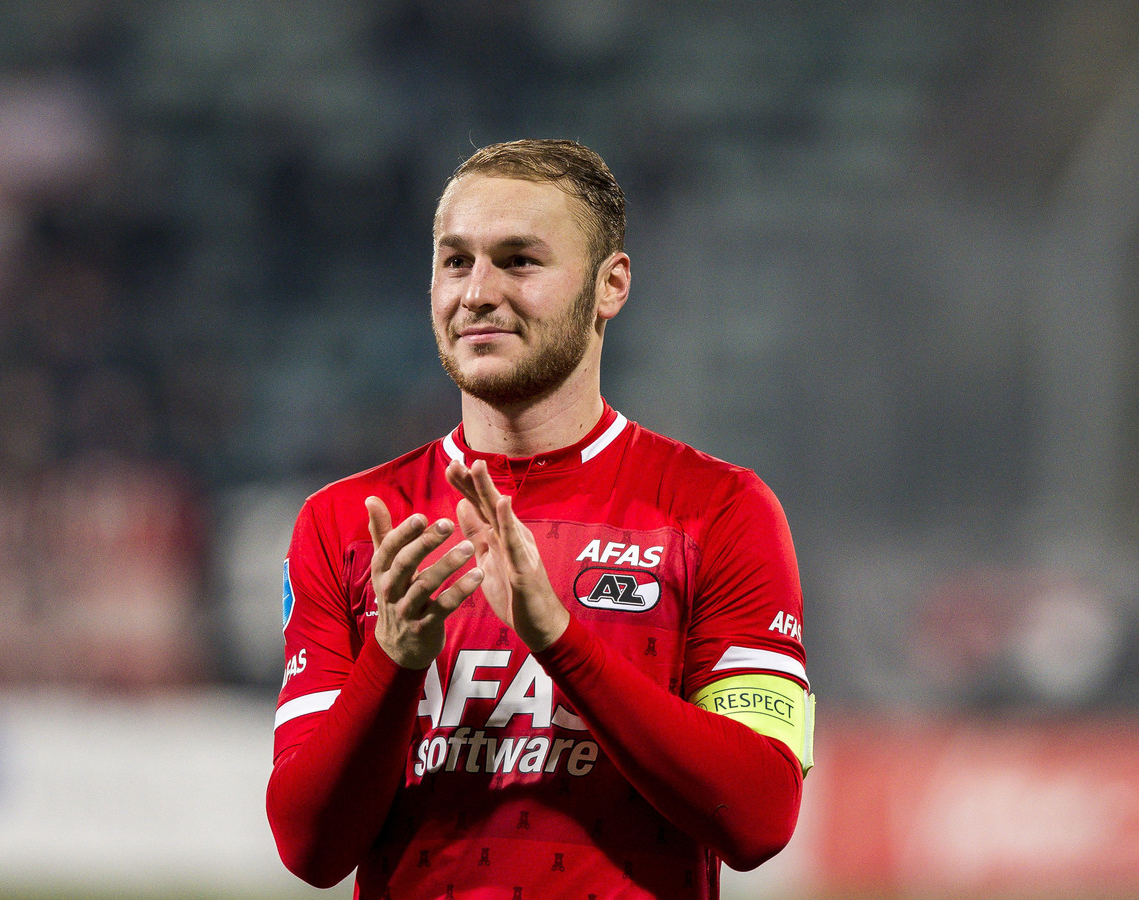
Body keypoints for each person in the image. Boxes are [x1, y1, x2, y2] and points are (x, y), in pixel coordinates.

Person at [267, 139, 813, 900]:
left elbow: (759, 818)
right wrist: (394, 658)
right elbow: (309, 849)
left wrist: (558, 637)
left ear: (609, 286)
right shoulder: (350, 525)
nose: (477, 293)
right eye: (456, 261)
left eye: (519, 261)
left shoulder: (717, 510)